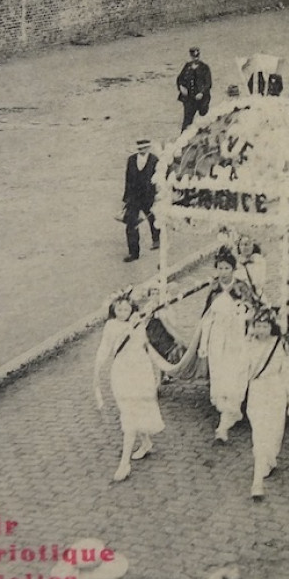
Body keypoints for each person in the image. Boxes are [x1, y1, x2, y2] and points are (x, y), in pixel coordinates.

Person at [93, 291, 172, 482]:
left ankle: (124, 463)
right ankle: (146, 443)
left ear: (131, 309)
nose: (123, 312)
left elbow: (145, 346)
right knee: (129, 410)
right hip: (122, 371)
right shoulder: (111, 326)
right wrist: (96, 372)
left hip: (140, 370)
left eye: (126, 309)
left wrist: (158, 371)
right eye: (119, 309)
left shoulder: (139, 323)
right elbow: (105, 348)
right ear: (113, 310)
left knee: (131, 414)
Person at [242, 307, 289, 499]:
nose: (261, 330)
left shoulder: (280, 345)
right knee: (260, 435)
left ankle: (269, 459)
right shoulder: (247, 345)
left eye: (265, 326)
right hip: (257, 391)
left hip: (276, 392)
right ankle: (257, 483)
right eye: (257, 326)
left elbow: (288, 374)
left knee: (274, 434)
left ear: (271, 327)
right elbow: (240, 371)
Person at [196, 249, 253, 443]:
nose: (223, 272)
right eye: (220, 268)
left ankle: (227, 419)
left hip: (236, 337)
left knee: (234, 375)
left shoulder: (242, 288)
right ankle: (226, 415)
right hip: (217, 338)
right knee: (219, 376)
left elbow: (252, 312)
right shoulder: (214, 289)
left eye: (227, 268)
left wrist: (242, 316)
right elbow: (206, 318)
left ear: (233, 269)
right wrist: (204, 343)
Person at [120, 137, 161, 263]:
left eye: (145, 148)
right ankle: (133, 252)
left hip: (148, 196)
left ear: (149, 148)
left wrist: (158, 195)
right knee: (131, 223)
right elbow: (128, 179)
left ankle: (156, 239)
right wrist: (126, 198)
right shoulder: (131, 160)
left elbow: (159, 178)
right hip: (134, 197)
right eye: (140, 148)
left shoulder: (155, 160)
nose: (142, 150)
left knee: (154, 218)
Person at [176, 47, 212, 130]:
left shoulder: (205, 68)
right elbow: (179, 79)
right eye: (194, 57)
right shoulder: (187, 66)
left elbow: (208, 83)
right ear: (191, 56)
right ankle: (183, 140)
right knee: (187, 121)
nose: (196, 59)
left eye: (197, 57)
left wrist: (201, 93)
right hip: (189, 99)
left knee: (204, 118)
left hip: (202, 99)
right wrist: (181, 87)